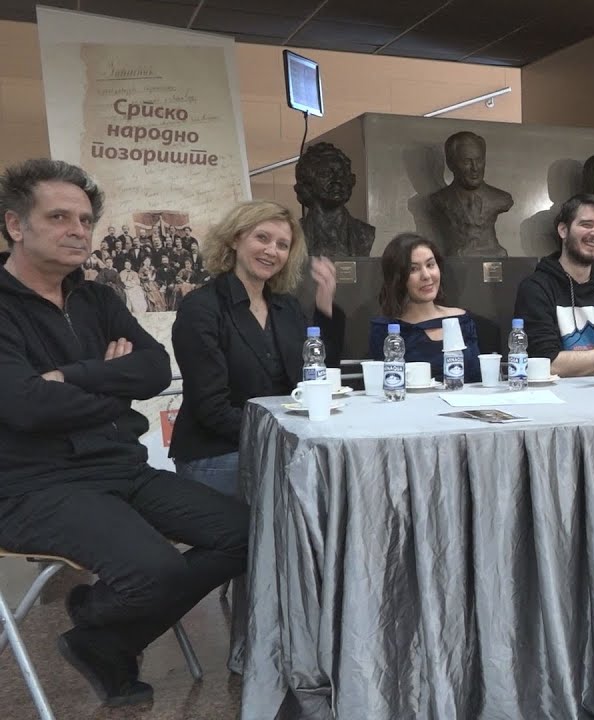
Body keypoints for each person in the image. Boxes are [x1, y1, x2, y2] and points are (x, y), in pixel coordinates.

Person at [0, 158, 248, 706]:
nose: (78, 230)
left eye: (85, 220)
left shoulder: (97, 298)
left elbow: (155, 369)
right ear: (16, 225)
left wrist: (72, 377)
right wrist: (115, 384)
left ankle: (102, 630)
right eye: (59, 217)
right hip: (34, 485)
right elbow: (24, 406)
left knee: (246, 532)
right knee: (155, 569)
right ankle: (108, 630)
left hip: (121, 468)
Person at [169, 200, 343, 496]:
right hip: (218, 454)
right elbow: (211, 408)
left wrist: (325, 306)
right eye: (262, 238)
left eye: (282, 245)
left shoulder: (287, 307)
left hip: (281, 446)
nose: (272, 251)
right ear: (235, 239)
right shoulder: (201, 307)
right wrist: (283, 435)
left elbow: (319, 373)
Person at [513, 193, 594, 376]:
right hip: (556, 392)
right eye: (587, 225)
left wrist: (573, 363)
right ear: (563, 230)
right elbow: (545, 362)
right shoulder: (536, 288)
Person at [368, 232, 481, 383]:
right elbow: (387, 385)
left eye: (430, 265)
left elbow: (477, 377)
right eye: (413, 269)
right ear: (398, 278)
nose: (426, 275)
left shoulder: (463, 321)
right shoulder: (387, 330)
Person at [428, 131, 514, 257]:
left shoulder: (501, 198)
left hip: (495, 255)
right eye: (467, 162)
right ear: (451, 164)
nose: (475, 168)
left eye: (479, 160)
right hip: (458, 258)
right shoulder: (440, 199)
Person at [294, 141, 376, 258]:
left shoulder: (364, 233)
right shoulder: (293, 234)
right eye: (326, 174)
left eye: (342, 174)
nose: (337, 180)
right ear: (308, 183)